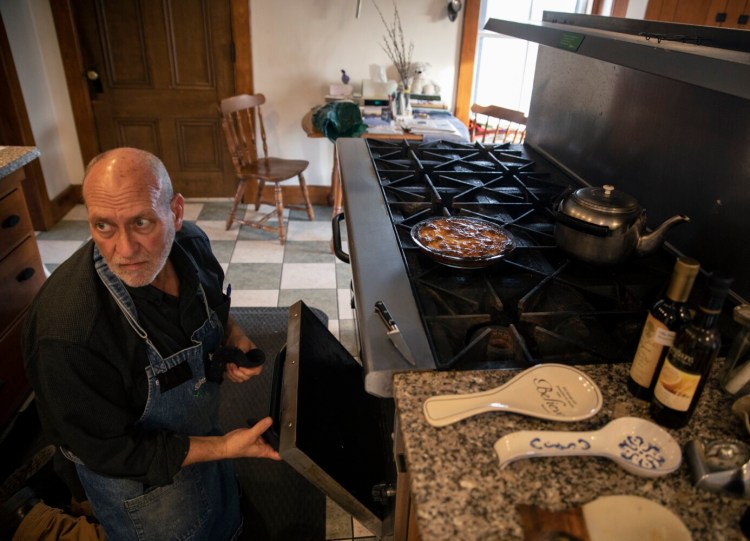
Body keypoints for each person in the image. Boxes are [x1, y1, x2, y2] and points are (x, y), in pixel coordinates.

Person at [22, 147, 281, 540]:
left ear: (175, 213)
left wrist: (234, 334)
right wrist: (224, 447)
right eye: (103, 227)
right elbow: (112, 451)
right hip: (139, 484)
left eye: (141, 222)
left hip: (202, 434)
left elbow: (215, 305)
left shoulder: (190, 245)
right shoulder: (68, 334)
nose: (124, 251)